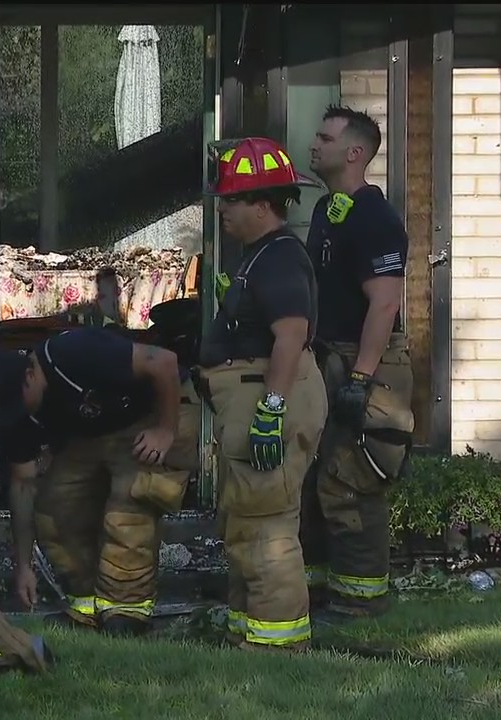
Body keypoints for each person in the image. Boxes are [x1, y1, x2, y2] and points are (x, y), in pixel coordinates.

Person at [0, 327, 202, 637]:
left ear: (29, 376)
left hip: (155, 411)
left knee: (128, 508)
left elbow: (163, 361)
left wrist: (165, 430)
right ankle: (86, 606)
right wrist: (24, 565)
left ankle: (127, 613)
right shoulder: (18, 414)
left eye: (18, 402)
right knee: (57, 507)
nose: (17, 412)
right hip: (93, 433)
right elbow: (23, 486)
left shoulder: (73, 353)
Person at [193, 136, 328, 653]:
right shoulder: (263, 255)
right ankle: (248, 636)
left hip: (268, 396)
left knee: (265, 525)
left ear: (264, 205)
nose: (222, 208)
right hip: (252, 394)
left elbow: (290, 336)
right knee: (246, 520)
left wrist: (270, 411)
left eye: (231, 199)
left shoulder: (279, 259)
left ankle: (276, 650)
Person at [300, 105, 416, 620]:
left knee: (353, 479)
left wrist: (362, 379)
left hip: (365, 363)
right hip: (330, 358)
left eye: (324, 137)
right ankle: (321, 590)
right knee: (319, 478)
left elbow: (385, 303)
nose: (313, 144)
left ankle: (360, 602)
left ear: (354, 152)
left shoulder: (374, 216)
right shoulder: (330, 210)